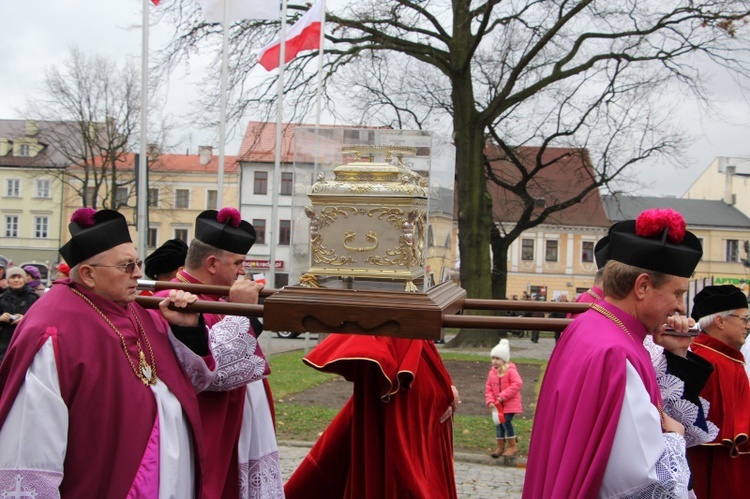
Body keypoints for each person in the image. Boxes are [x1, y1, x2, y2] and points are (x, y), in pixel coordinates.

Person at [0, 207, 253, 497]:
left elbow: (194, 381)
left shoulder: (133, 309)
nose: (138, 274)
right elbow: (29, 444)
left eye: (137, 263)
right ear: (88, 274)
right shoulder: (53, 328)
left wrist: (187, 331)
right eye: (126, 266)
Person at [523, 208, 704, 498]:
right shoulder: (616, 352)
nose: (681, 307)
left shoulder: (591, 325)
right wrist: (674, 438)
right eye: (678, 293)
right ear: (642, 286)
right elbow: (645, 482)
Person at [154, 207, 279, 499]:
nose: (242, 272)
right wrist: (241, 310)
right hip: (208, 426)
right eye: (238, 263)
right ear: (211, 263)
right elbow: (217, 371)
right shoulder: (172, 302)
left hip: (233, 423)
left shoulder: (216, 298)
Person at [284, 332, 460, 499]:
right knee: (401, 467)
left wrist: (442, 389)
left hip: (406, 351)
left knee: (400, 462)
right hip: (391, 349)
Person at [686, 284, 750, 498]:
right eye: (743, 319)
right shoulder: (705, 359)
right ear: (720, 321)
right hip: (712, 464)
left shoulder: (727, 358)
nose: (748, 326)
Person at [485, 338, 523, 458]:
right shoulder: (492, 373)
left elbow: (517, 383)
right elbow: (489, 388)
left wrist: (502, 396)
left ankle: (512, 447)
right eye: (493, 358)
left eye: (497, 358)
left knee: (506, 422)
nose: (494, 361)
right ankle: (500, 446)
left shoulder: (511, 371)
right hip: (497, 405)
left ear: (504, 359)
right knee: (499, 424)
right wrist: (490, 400)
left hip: (509, 404)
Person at [0, 267, 39, 362]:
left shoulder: (34, 297)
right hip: (5, 341)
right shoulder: (2, 298)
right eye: (13, 277)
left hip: (26, 339)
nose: (16, 280)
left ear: (25, 280)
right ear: (8, 280)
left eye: (19, 277)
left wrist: (25, 319)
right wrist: (1, 318)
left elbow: (41, 320)